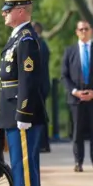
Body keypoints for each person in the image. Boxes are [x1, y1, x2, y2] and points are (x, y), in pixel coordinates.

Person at [0, 0, 47, 186]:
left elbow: (28, 78)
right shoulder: (18, 37)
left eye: (8, 9)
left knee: (23, 169)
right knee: (21, 168)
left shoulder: (26, 39)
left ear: (21, 11)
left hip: (21, 112)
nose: (4, 13)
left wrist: (24, 113)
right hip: (13, 109)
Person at [61, 20, 93, 172]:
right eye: (80, 29)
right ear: (76, 32)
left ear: (91, 31)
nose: (83, 32)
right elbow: (64, 75)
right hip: (76, 98)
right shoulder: (70, 51)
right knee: (77, 132)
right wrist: (75, 91)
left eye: (86, 29)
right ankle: (78, 162)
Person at [31, 21, 51, 153]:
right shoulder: (42, 44)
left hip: (38, 86)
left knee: (39, 117)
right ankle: (43, 143)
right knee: (41, 116)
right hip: (42, 85)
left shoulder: (37, 44)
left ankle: (42, 143)